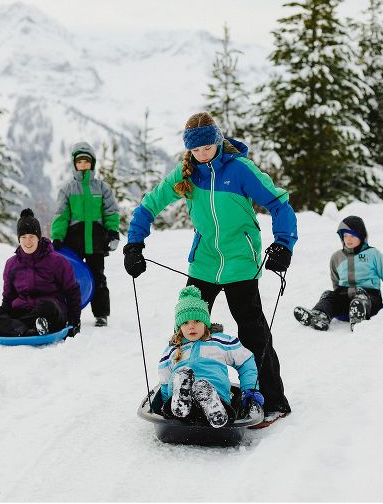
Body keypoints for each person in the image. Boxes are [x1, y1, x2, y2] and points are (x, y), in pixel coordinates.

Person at [124, 111, 297, 427]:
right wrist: (134, 244)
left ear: (218, 141)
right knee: (187, 329)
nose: (203, 155)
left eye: (208, 148)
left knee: (253, 332)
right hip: (203, 262)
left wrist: (284, 243)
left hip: (240, 263)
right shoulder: (186, 173)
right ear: (189, 149)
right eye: (196, 150)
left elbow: (280, 204)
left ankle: (273, 401)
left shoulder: (240, 170)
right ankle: (183, 390)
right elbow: (148, 205)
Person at [158, 286, 263, 428]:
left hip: (216, 393)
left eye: (197, 321)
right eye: (185, 322)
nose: (191, 327)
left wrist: (250, 390)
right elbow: (164, 382)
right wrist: (164, 401)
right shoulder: (173, 348)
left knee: (218, 403)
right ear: (179, 327)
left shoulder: (220, 341)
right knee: (175, 405)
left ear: (206, 322)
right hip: (178, 402)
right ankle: (182, 396)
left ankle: (210, 402)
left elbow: (246, 361)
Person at [0, 208, 82, 337]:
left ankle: (16, 328)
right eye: (23, 237)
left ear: (38, 237)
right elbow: (8, 297)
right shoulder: (12, 264)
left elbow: (72, 291)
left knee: (48, 306)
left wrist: (74, 322)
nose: (28, 241)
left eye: (32, 237)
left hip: (49, 312)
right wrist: (1, 318)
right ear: (19, 239)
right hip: (20, 313)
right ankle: (27, 329)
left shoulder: (57, 261)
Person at [51, 141, 120, 328]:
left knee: (98, 277)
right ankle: (68, 311)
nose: (83, 165)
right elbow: (61, 214)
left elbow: (111, 212)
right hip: (73, 242)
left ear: (92, 164)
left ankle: (101, 314)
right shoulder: (68, 189)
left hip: (96, 242)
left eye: (86, 162)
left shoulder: (102, 188)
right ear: (74, 164)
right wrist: (57, 236)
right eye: (79, 162)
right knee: (70, 278)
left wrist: (113, 232)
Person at [293, 215, 383, 331]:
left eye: (352, 236)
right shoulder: (336, 257)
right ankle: (320, 315)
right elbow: (335, 281)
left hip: (370, 297)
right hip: (346, 296)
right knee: (328, 295)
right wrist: (337, 296)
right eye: (345, 236)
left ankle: (359, 314)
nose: (348, 239)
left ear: (361, 236)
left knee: (361, 298)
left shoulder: (373, 254)